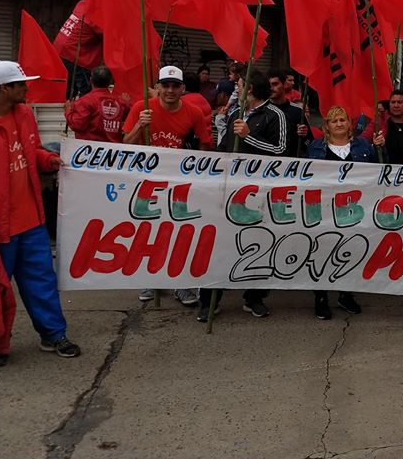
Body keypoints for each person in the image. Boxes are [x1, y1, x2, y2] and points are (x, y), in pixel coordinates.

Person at [0, 61, 80, 366]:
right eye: (20, 84)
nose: (26, 88)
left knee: (41, 281)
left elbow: (32, 153)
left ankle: (54, 334)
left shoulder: (25, 115)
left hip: (31, 221)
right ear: (4, 88)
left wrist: (48, 159)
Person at [197, 72, 287, 322]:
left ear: (252, 89)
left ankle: (254, 297)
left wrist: (249, 137)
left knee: (258, 243)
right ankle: (209, 299)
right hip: (229, 189)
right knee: (220, 243)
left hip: (258, 193)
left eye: (239, 85)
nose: (236, 90)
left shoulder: (274, 115)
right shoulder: (236, 113)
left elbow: (281, 151)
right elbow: (224, 147)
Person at [123, 66, 215, 306]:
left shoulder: (193, 112)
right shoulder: (141, 108)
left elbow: (206, 145)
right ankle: (150, 278)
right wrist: (139, 126)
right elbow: (125, 144)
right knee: (148, 229)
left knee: (179, 230)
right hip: (146, 180)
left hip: (179, 183)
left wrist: (197, 170)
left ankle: (181, 284)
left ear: (183, 88)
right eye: (165, 85)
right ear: (158, 87)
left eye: (175, 86)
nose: (170, 90)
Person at [307, 106, 379, 320]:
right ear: (327, 126)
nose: (339, 124)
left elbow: (379, 171)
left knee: (350, 251)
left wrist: (381, 148)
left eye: (342, 120)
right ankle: (320, 297)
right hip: (324, 209)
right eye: (334, 121)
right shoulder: (315, 147)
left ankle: (345, 294)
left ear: (349, 124)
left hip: (354, 210)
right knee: (322, 251)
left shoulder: (363, 146)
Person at [63, 66, 129, 143]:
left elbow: (77, 125)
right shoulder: (121, 103)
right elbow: (129, 121)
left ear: (91, 80)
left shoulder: (84, 101)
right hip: (114, 148)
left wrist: (68, 110)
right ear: (110, 81)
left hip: (90, 147)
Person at [53, 0, 102, 97]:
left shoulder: (83, 4)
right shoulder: (96, 15)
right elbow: (108, 34)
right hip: (75, 54)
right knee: (86, 89)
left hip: (61, 49)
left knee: (68, 88)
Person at [361, 90, 403, 164]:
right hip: (384, 167)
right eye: (393, 102)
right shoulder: (379, 121)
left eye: (399, 102)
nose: (396, 105)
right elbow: (363, 139)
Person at [269, 69, 310, 157]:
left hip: (291, 161)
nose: (271, 88)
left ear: (284, 84)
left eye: (275, 84)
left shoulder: (297, 111)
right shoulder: (261, 110)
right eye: (268, 85)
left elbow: (309, 142)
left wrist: (304, 135)